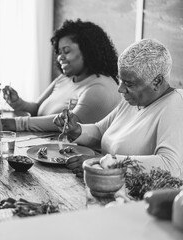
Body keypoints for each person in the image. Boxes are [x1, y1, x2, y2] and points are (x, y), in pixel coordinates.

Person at [54, 38, 183, 179]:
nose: (120, 89)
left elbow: (169, 166)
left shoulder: (176, 105)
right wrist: (77, 130)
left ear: (157, 81)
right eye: (120, 80)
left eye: (129, 83)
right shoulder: (134, 100)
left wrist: (102, 163)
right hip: (107, 186)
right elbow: (100, 130)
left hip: (139, 198)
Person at [2, 19, 121, 132]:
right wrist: (17, 103)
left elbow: (70, 122)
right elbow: (37, 108)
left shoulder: (100, 88)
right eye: (59, 52)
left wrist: (17, 123)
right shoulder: (65, 78)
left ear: (88, 50)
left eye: (67, 51)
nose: (60, 57)